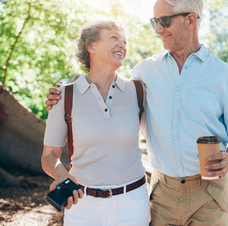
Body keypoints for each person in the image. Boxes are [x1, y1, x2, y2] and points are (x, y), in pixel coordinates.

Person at [46, 0, 228, 225]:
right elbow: (104, 87)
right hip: (162, 192)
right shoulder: (144, 72)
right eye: (154, 21)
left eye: (164, 21)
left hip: (209, 192)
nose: (157, 29)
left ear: (190, 20)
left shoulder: (223, 74)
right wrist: (62, 96)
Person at [41, 19, 149, 226]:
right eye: (114, 38)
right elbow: (49, 156)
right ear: (91, 46)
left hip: (134, 202)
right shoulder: (64, 96)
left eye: (125, 42)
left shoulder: (138, 91)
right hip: (83, 205)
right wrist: (63, 176)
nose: (123, 45)